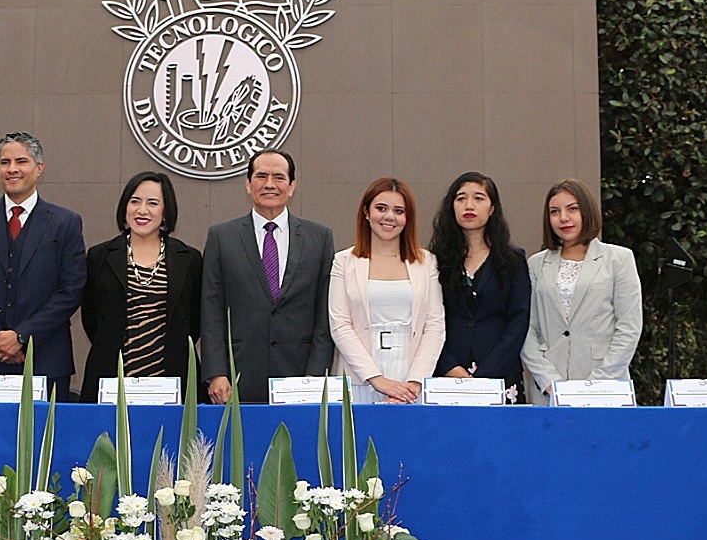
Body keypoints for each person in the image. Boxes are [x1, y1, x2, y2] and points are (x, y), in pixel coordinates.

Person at [0, 132, 86, 400]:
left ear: (39, 168)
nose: (12, 169)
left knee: (43, 440)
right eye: (4, 162)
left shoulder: (65, 222)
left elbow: (71, 290)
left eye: (21, 161)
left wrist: (22, 336)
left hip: (46, 360)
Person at [200, 149, 335, 404]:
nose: (270, 184)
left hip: (300, 377)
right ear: (248, 185)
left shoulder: (319, 238)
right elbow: (211, 310)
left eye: (279, 177)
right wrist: (216, 372)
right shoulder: (221, 237)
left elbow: (325, 313)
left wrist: (316, 375)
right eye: (261, 176)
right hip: (238, 376)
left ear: (292, 186)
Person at [81, 172, 203, 402]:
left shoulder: (188, 258)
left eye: (153, 203)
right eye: (135, 201)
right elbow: (91, 317)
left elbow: (194, 320)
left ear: (166, 211)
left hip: (172, 380)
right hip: (112, 377)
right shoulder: (99, 256)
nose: (142, 210)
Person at [521, 178, 643, 404]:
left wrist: (598, 383)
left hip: (606, 387)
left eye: (572, 209)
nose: (563, 218)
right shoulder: (536, 264)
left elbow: (629, 327)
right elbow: (527, 328)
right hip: (549, 391)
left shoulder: (619, 258)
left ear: (587, 211)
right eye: (554, 211)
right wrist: (549, 380)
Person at [329, 177, 445, 403]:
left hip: (411, 381)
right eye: (381, 208)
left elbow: (435, 325)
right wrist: (376, 379)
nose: (389, 217)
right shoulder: (343, 261)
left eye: (399, 210)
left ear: (407, 218)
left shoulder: (426, 262)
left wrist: (413, 384)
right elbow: (340, 324)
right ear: (366, 212)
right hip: (359, 377)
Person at [429, 172, 531, 400]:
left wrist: (486, 373)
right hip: (448, 373)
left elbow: (519, 320)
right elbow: (427, 319)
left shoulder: (513, 259)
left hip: (501, 374)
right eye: (461, 198)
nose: (469, 205)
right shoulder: (435, 260)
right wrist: (450, 367)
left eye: (478, 198)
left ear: (492, 208)